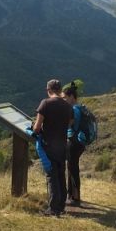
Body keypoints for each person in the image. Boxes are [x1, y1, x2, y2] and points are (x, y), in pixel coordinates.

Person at [33, 79, 73, 217]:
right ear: (60, 89)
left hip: (49, 145)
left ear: (48, 90)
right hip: (62, 145)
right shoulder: (67, 106)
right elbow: (69, 124)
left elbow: (37, 127)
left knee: (52, 176)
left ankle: (53, 209)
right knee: (61, 175)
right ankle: (61, 205)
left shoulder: (45, 103)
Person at [63, 81, 85, 207]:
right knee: (72, 168)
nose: (64, 100)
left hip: (73, 141)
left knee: (73, 169)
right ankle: (71, 195)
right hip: (80, 142)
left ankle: (75, 198)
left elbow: (69, 125)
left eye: (65, 98)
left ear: (71, 96)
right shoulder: (80, 107)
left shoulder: (73, 110)